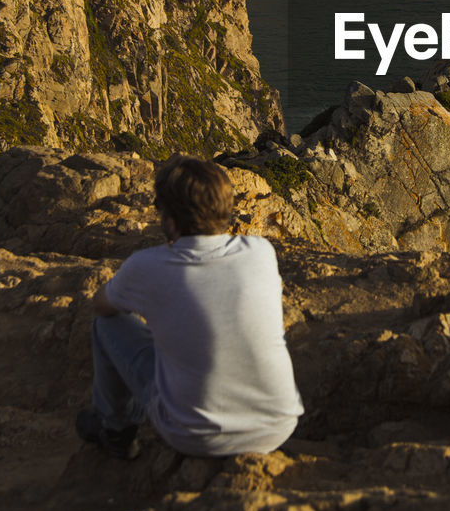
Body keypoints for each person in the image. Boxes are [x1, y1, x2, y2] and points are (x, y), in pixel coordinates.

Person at [75, 155, 303, 460]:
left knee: (107, 326)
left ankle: (116, 431)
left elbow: (101, 306)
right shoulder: (261, 251)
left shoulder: (147, 265)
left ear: (170, 219)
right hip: (278, 426)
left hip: (193, 435)